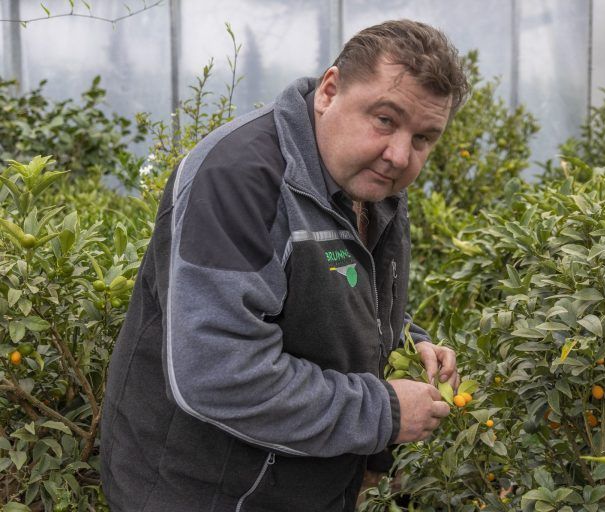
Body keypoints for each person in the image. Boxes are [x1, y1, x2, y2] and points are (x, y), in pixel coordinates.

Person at [100, 19, 470, 512]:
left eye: (423, 138)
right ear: (330, 90)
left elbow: (342, 293)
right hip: (206, 492)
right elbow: (216, 372)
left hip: (300, 485)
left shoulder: (372, 185)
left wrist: (410, 342)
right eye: (384, 119)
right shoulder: (239, 180)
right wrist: (384, 411)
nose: (399, 155)